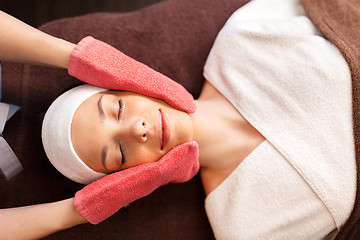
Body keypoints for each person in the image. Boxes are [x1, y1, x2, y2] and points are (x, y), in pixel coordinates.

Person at [0, 0, 358, 239]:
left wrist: (80, 56)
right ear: (128, 181)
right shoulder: (241, 224)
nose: (134, 129)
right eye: (119, 155)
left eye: (117, 109)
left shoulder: (245, 39)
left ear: (129, 84)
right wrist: (84, 208)